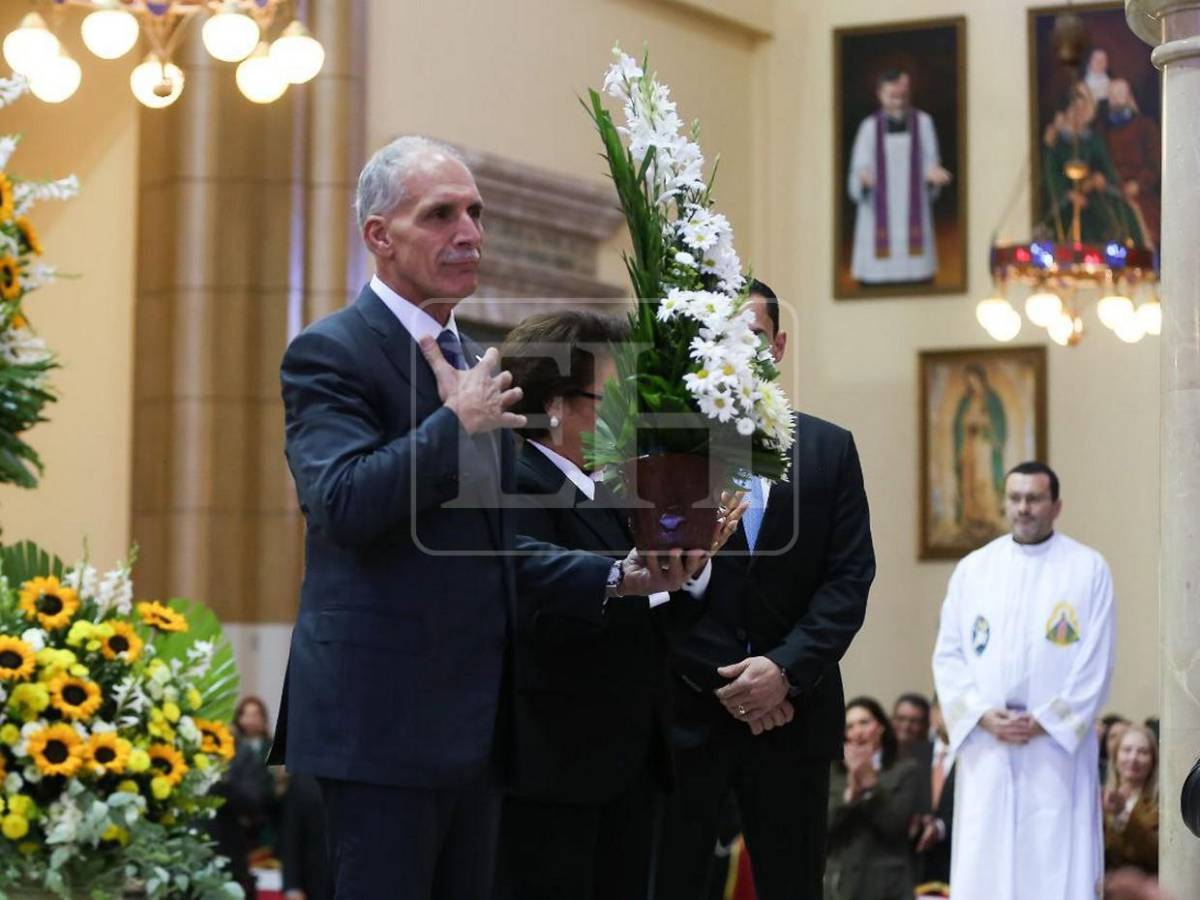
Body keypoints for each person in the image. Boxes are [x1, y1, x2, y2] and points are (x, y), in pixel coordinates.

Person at [268, 135, 702, 899]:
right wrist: (453, 426)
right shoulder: (329, 351)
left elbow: (502, 550)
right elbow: (339, 503)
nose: (469, 232)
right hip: (382, 726)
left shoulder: (474, 358)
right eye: (440, 215)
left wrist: (621, 577)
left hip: (482, 734)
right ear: (379, 236)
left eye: (475, 212)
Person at [493, 310, 743, 899]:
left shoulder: (611, 489)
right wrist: (625, 576)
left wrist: (689, 570)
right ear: (554, 405)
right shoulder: (509, 480)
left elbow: (658, 614)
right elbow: (532, 596)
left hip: (630, 758)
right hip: (552, 760)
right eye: (610, 397)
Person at [656, 279, 876, 900]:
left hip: (794, 716)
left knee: (793, 884)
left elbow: (849, 576)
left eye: (750, 337)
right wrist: (730, 682)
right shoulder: (665, 447)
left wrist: (783, 671)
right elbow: (655, 586)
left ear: (776, 347)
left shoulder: (829, 449)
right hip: (689, 715)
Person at [932, 461, 1116, 899]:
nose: (1023, 508)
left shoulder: (1088, 569)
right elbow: (949, 654)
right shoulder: (974, 570)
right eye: (1015, 498)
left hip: (1054, 750)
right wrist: (979, 715)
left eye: (1034, 499)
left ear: (1056, 506)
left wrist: (1047, 720)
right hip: (987, 746)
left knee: (1053, 863)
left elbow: (1097, 661)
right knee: (986, 864)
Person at [847, 69, 952, 285]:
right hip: (878, 214)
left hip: (913, 212)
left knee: (918, 278)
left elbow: (930, 161)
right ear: (880, 94)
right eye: (891, 96)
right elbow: (858, 170)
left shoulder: (923, 123)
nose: (897, 102)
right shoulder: (868, 128)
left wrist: (931, 174)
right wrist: (863, 180)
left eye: (902, 96)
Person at [824, 697, 922, 900]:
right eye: (850, 726)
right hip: (840, 887)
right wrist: (849, 796)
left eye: (864, 723)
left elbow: (896, 827)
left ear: (881, 727)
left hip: (887, 888)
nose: (857, 731)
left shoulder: (904, 770)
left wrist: (871, 787)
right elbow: (822, 830)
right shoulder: (833, 774)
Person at [1103, 78, 1160, 247]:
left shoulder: (1145, 126)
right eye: (1113, 97)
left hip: (1142, 198)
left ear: (1129, 98)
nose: (1116, 101)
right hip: (1113, 196)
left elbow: (1155, 164)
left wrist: (1138, 184)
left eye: (1120, 96)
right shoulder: (1104, 131)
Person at [953, 365, 1006, 540]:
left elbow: (998, 424)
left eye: (974, 379)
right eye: (969, 381)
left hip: (985, 447)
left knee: (984, 480)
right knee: (970, 481)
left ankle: (988, 517)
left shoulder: (992, 400)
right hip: (969, 447)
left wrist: (985, 423)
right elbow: (958, 427)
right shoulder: (965, 402)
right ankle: (971, 518)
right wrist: (967, 425)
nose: (972, 384)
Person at [1103, 725, 1159, 875]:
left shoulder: (1160, 804)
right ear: (1115, 757)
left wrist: (1124, 814)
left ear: (1153, 761)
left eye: (1142, 752)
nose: (1133, 758)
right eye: (1127, 750)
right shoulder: (1100, 798)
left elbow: (1155, 855)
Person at [914, 696, 955, 889]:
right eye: (946, 707)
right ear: (933, 713)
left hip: (955, 863)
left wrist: (940, 827)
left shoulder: (977, 761)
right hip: (914, 866)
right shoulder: (913, 754)